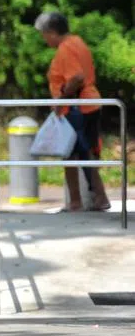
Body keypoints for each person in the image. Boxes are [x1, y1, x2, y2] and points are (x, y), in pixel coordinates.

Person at [35, 12, 110, 211]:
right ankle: (80, 200)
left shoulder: (65, 48)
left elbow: (76, 77)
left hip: (77, 107)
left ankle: (93, 198)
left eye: (44, 34)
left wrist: (61, 98)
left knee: (77, 153)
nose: (44, 39)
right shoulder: (78, 42)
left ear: (52, 32)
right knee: (79, 153)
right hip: (89, 103)